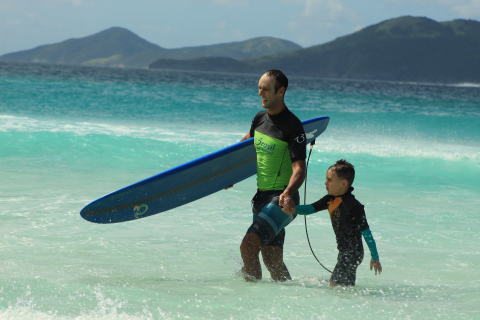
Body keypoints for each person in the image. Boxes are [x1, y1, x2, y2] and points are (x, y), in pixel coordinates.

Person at [235, 69, 307, 282]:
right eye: (259, 88)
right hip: (261, 198)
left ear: (281, 91)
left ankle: (249, 301)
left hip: (283, 200)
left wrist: (287, 193)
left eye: (265, 89)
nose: (260, 93)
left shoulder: (293, 126)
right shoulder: (259, 119)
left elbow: (299, 169)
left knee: (248, 246)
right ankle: (288, 299)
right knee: (271, 258)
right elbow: (248, 139)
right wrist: (225, 170)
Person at [282, 159, 382, 287]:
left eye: (329, 180)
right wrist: (294, 209)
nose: (325, 183)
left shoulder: (354, 205)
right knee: (345, 289)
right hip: (344, 252)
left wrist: (375, 257)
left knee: (333, 285)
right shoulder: (329, 199)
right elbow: (311, 208)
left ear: (343, 183)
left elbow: (366, 233)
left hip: (352, 253)